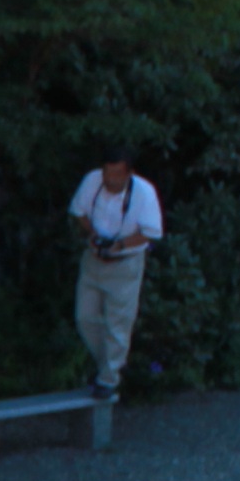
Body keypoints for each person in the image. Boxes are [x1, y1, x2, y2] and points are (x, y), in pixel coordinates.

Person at [68, 152, 162, 399]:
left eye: (117, 174)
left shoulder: (144, 192)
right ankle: (110, 364)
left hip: (125, 263)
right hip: (93, 260)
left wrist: (119, 245)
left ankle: (108, 379)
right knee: (84, 317)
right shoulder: (92, 181)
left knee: (118, 323)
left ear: (129, 173)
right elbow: (78, 211)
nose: (111, 179)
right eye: (107, 173)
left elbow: (151, 232)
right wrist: (92, 234)